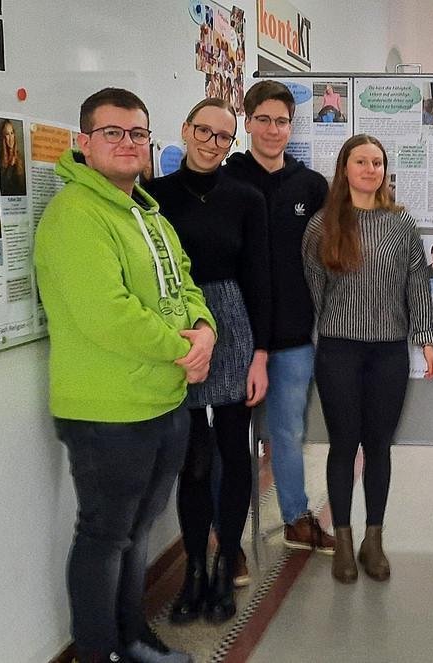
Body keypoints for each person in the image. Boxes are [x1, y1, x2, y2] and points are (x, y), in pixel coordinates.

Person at [33, 87, 216, 663]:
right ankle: (98, 651)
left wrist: (205, 331)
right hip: (107, 413)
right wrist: (183, 351)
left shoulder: (148, 213)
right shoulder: (74, 215)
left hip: (162, 403)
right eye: (112, 132)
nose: (127, 143)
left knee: (137, 533)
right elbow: (106, 314)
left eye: (138, 132)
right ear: (83, 143)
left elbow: (185, 283)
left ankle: (131, 639)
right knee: (105, 537)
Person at [144, 98, 270, 626]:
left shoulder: (246, 197)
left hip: (234, 322)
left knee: (234, 452)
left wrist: (260, 355)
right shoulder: (153, 196)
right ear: (186, 130)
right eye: (204, 131)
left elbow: (262, 280)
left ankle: (225, 564)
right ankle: (193, 568)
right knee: (192, 458)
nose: (212, 143)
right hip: (179, 326)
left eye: (223, 136)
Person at [302, 134, 433, 583]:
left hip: (389, 352)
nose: (370, 169)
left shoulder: (402, 224)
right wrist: (321, 337)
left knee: (379, 446)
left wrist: (426, 338)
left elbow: (417, 283)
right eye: (361, 161)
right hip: (339, 349)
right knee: (343, 445)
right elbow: (314, 289)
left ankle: (372, 540)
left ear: (385, 171)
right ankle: (342, 539)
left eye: (377, 162)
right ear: (344, 168)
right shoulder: (323, 225)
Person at [222, 81, 335, 558]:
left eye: (282, 121)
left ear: (293, 125)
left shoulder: (310, 186)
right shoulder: (225, 179)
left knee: (288, 433)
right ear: (247, 122)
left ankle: (295, 518)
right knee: (230, 441)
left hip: (291, 337)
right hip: (232, 335)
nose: (273, 130)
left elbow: (331, 252)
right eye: (263, 119)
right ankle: (228, 539)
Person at [0, 118, 26, 196]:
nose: (10, 137)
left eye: (12, 133)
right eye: (7, 134)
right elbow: (2, 188)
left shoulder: (20, 158)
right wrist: (10, 166)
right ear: (3, 138)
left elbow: (22, 187)